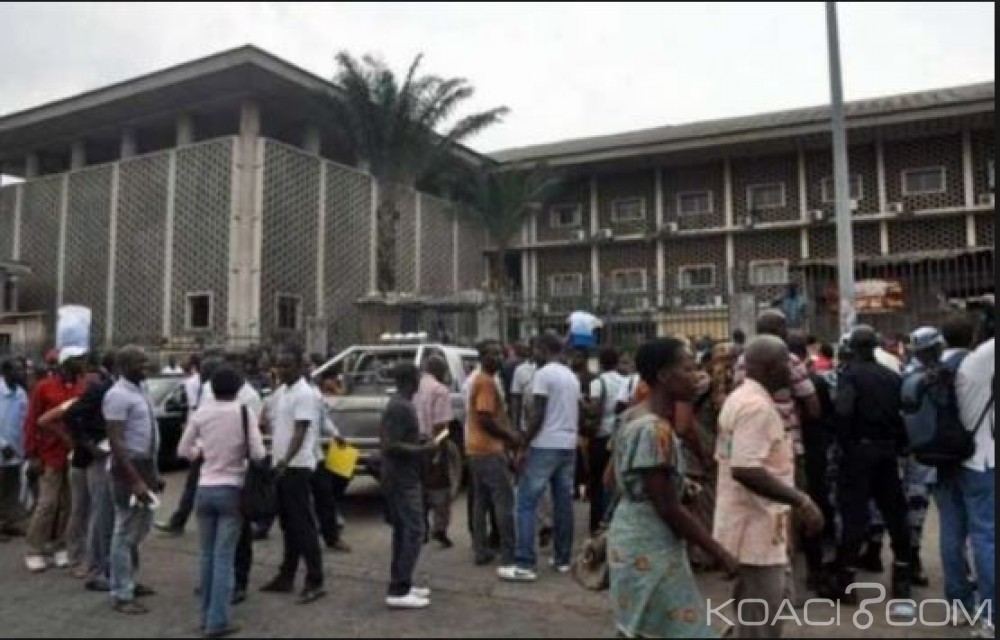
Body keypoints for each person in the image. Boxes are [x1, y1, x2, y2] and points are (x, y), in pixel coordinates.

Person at [607, 338, 738, 638]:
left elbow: (620, 481)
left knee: (644, 626)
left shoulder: (632, 417)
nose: (697, 376)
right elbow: (668, 508)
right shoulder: (655, 430)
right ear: (665, 376)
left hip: (633, 536)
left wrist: (678, 484)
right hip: (649, 545)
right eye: (688, 369)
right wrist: (719, 553)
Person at [715, 336, 825, 639]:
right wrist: (801, 500)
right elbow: (745, 468)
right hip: (754, 531)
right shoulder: (756, 408)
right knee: (762, 620)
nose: (792, 372)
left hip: (756, 527)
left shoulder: (741, 399)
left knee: (756, 612)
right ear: (772, 368)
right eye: (787, 366)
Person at [823, 326, 912, 605]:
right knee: (895, 513)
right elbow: (902, 415)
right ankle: (902, 577)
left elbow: (843, 413)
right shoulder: (891, 376)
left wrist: (844, 446)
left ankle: (846, 582)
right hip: (887, 451)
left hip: (858, 452)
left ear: (852, 348)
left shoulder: (849, 376)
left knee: (854, 516)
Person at [178, 366, 265, 638]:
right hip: (232, 488)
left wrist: (202, 452)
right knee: (224, 558)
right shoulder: (243, 412)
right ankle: (218, 621)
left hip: (205, 488)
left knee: (206, 555)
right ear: (238, 389)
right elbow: (259, 452)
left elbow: (182, 450)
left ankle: (204, 615)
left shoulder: (202, 413)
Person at [501, 332, 579, 582]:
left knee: (525, 502)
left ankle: (524, 563)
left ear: (543, 349)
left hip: (545, 444)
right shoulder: (571, 376)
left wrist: (523, 441)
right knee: (563, 503)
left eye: (535, 349)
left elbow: (538, 413)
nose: (532, 354)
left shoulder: (543, 374)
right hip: (568, 444)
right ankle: (562, 559)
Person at [937, 310, 994, 637]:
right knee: (986, 537)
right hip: (979, 461)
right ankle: (991, 615)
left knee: (951, 533)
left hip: (945, 463)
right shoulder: (976, 365)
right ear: (972, 337)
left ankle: (959, 606)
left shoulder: (931, 367)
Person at [259, 348, 326, 604]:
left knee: (304, 525)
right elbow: (269, 420)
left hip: (296, 466)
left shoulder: (305, 394)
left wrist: (285, 461)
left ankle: (315, 579)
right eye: (279, 366)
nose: (282, 370)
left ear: (300, 367)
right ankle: (286, 575)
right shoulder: (282, 392)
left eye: (287, 366)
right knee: (288, 524)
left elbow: (300, 431)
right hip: (282, 465)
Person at [103, 346, 161, 614]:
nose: (146, 366)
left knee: (140, 527)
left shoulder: (141, 389)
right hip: (128, 469)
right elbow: (116, 441)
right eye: (140, 362)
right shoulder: (117, 395)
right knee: (125, 530)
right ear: (125, 365)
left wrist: (154, 474)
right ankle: (121, 593)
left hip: (145, 466)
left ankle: (129, 580)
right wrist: (135, 480)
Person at [23, 349, 88, 572]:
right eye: (78, 360)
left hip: (75, 454)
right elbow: (32, 421)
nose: (83, 364)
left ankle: (59, 545)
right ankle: (34, 549)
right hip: (49, 453)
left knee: (69, 504)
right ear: (66, 363)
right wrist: (32, 454)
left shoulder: (83, 386)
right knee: (48, 503)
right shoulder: (44, 387)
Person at [380, 363, 437, 609]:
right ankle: (399, 588)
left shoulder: (402, 405)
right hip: (401, 479)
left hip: (406, 476)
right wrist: (422, 449)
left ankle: (403, 581)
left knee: (404, 531)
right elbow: (389, 444)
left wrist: (418, 441)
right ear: (410, 380)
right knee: (413, 530)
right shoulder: (399, 407)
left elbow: (399, 440)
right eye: (417, 378)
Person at [64, 351, 117, 592]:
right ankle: (92, 562)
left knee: (102, 510)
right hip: (93, 458)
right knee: (95, 509)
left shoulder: (115, 388)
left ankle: (101, 558)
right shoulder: (100, 389)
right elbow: (70, 415)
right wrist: (88, 445)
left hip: (110, 456)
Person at [465, 341, 521, 568]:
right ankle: (508, 553)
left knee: (480, 502)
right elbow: (485, 417)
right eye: (493, 354)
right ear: (482, 358)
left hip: (475, 449)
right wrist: (509, 436)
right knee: (503, 502)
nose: (498, 357)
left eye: (500, 353)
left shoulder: (481, 380)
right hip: (489, 450)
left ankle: (481, 550)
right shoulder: (486, 382)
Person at [413, 355, 458, 549]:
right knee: (440, 489)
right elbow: (441, 425)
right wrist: (440, 449)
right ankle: (440, 529)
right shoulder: (440, 390)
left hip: (414, 443)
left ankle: (421, 529)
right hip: (432, 443)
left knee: (419, 488)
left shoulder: (414, 387)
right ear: (440, 370)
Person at [586, 346, 624, 534]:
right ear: (617, 362)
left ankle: (597, 523)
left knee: (597, 481)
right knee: (614, 480)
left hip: (600, 436)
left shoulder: (597, 382)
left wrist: (581, 403)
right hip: (617, 434)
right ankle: (613, 520)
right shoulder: (624, 381)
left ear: (600, 363)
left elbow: (594, 410)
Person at [0, 358, 28, 542]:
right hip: (3, 448)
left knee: (12, 488)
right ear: (6, 372)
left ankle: (8, 524)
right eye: (17, 370)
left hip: (16, 450)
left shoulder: (21, 393)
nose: (22, 373)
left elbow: (25, 421)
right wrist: (2, 444)